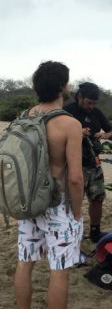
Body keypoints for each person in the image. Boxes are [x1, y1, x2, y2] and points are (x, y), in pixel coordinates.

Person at [13, 61, 87, 309]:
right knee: (59, 269)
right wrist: (77, 213)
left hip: (28, 202)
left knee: (25, 262)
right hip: (57, 205)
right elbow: (76, 179)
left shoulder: (24, 116)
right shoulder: (69, 123)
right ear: (62, 86)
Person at [64, 82, 111, 243]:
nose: (91, 106)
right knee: (73, 201)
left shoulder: (96, 113)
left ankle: (95, 232)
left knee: (97, 198)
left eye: (94, 103)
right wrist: (78, 132)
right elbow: (56, 135)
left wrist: (106, 135)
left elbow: (110, 130)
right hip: (74, 165)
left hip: (94, 163)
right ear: (79, 97)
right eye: (88, 102)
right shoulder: (67, 112)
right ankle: (71, 234)